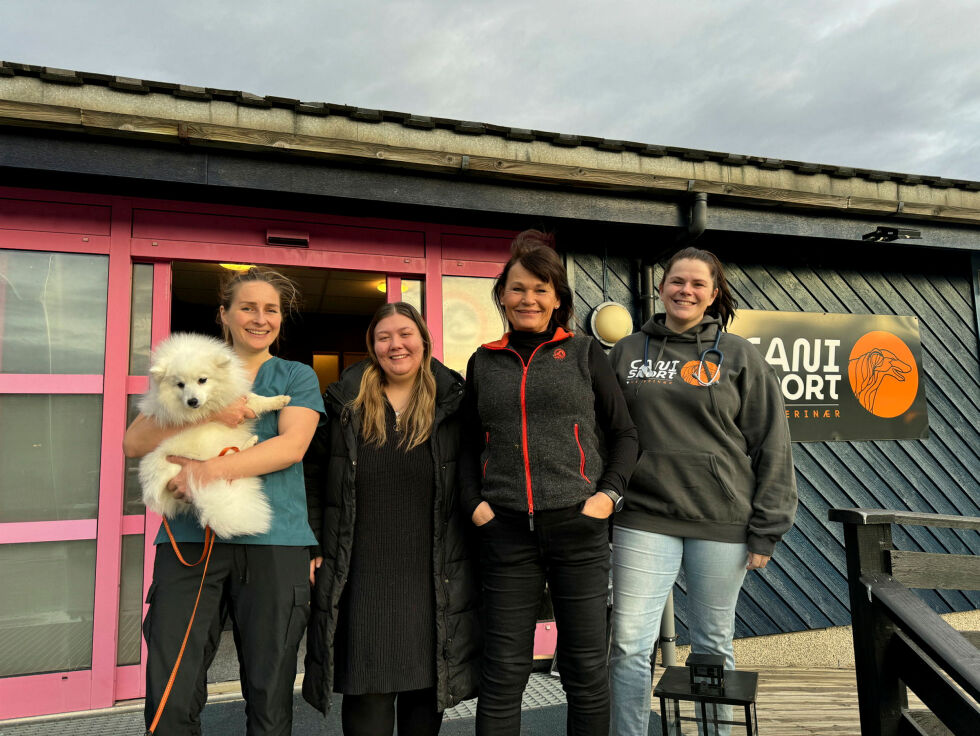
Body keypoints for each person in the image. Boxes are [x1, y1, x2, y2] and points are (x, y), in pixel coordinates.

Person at [123, 267, 323, 736]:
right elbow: (134, 441)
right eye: (247, 307)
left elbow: (291, 447)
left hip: (276, 540)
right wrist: (209, 408)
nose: (260, 318)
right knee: (171, 681)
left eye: (270, 309)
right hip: (190, 540)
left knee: (270, 690)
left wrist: (206, 473)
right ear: (225, 315)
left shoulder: (294, 375)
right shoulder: (188, 368)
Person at [607, 246, 798, 736]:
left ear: (714, 293)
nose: (685, 291)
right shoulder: (627, 352)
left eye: (697, 284)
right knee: (629, 643)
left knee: (713, 643)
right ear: (662, 286)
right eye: (677, 281)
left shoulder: (739, 355)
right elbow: (604, 431)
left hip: (721, 519)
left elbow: (772, 440)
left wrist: (767, 530)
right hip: (643, 516)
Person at [459, 230, 638, 736]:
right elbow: (468, 446)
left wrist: (607, 496)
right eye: (517, 288)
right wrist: (476, 504)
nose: (528, 299)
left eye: (540, 289)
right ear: (501, 295)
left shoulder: (584, 354)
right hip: (506, 533)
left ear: (557, 298)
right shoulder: (484, 362)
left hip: (578, 531)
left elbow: (624, 433)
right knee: (504, 673)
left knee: (584, 672)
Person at [302, 302, 481, 736]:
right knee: (368, 694)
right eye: (384, 337)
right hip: (360, 573)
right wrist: (313, 545)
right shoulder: (345, 403)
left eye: (405, 334)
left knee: (426, 692)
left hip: (431, 573)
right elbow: (311, 474)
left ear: (423, 340)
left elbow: (477, 472)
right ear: (372, 346)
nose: (395, 345)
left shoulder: (453, 403)